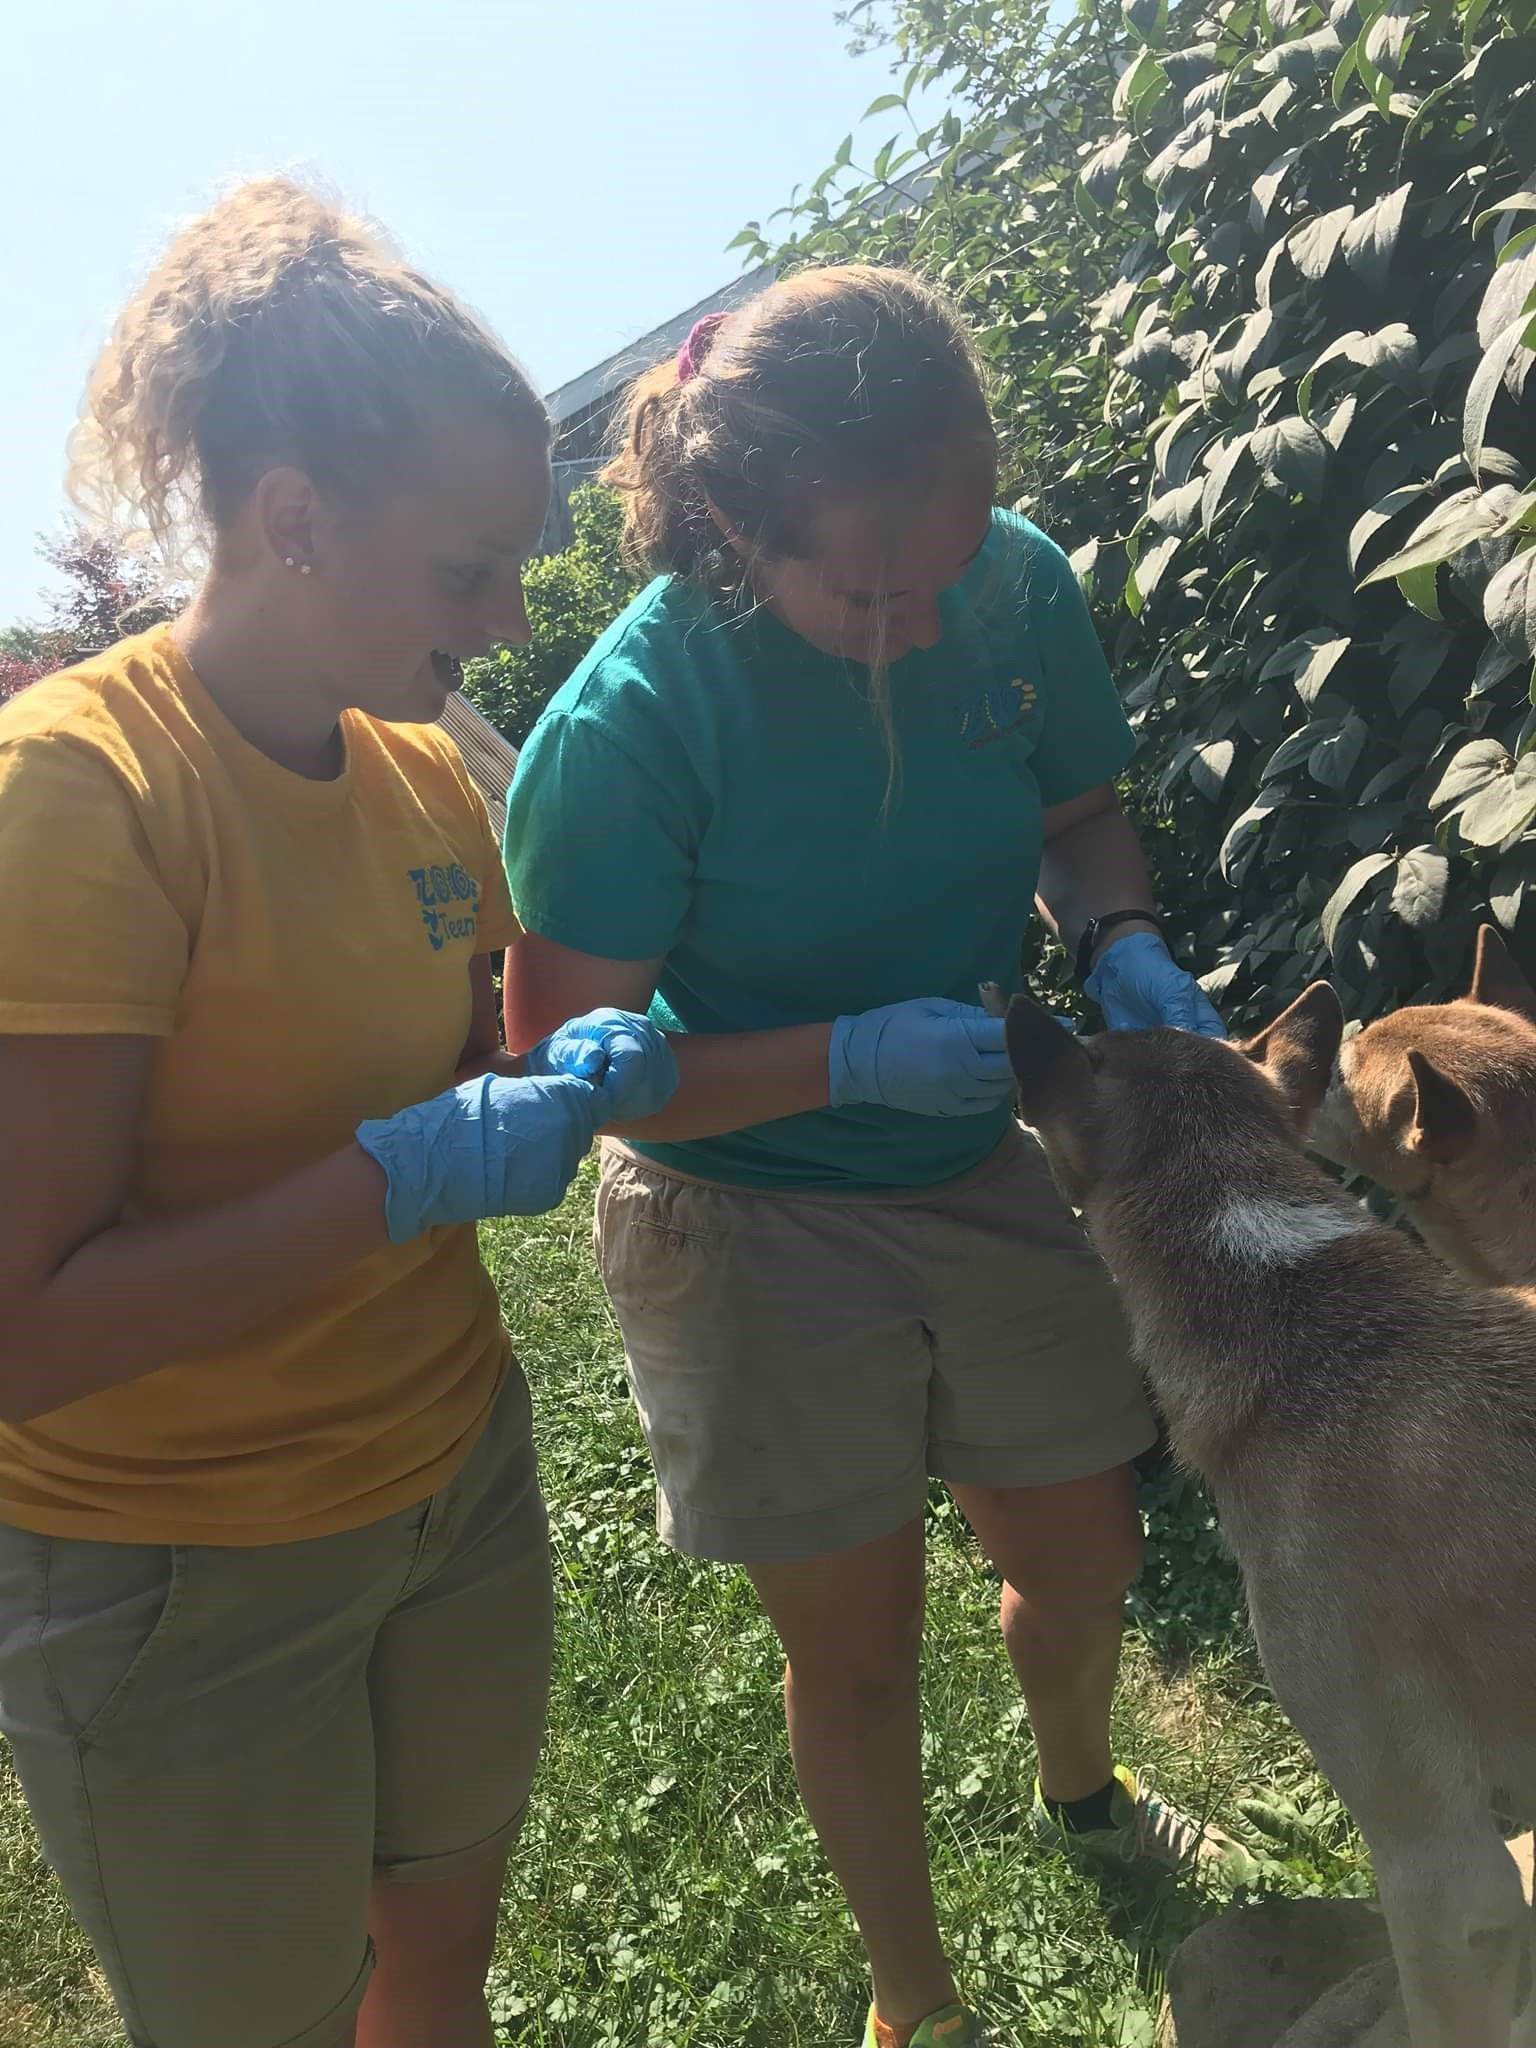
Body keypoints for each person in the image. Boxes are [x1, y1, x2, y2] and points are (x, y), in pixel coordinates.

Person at [501, 264, 1226, 2048]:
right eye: (867, 590)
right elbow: (571, 1069)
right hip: (747, 1208)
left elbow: (1074, 811)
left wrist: (1118, 926)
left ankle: (1086, 1793)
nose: (919, 617)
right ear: (740, 524)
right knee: (861, 1651)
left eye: (949, 567)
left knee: (1081, 1549)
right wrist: (840, 1057)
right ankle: (918, 1999)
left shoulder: (1010, 585)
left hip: (974, 1155)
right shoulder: (632, 721)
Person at [0, 178, 674, 2048]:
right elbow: (23, 1328)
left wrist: (543, 1085)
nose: (507, 611)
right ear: (291, 524)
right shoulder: (80, 795)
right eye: (472, 568)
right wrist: (400, 1177)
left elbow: (460, 1073)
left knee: (434, 1953)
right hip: (176, 1571)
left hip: (451, 1479)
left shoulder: (423, 776)